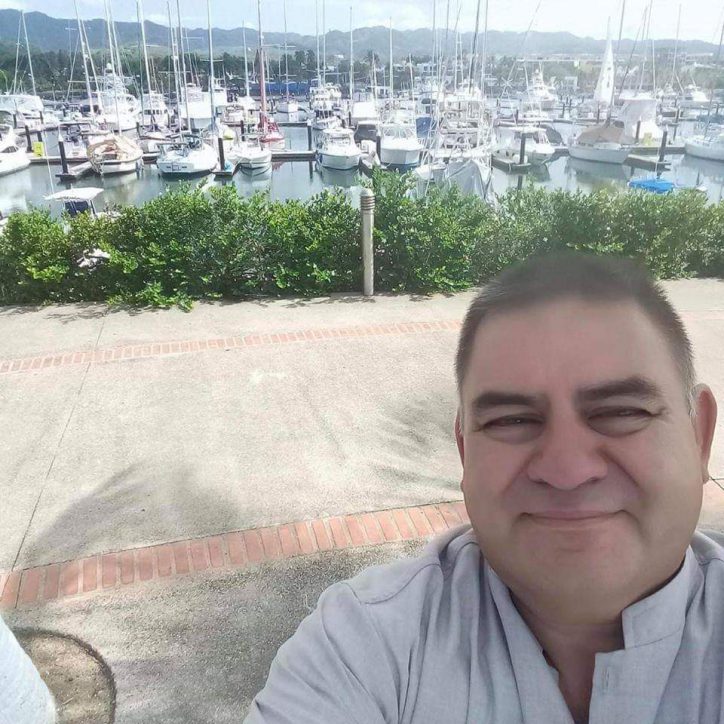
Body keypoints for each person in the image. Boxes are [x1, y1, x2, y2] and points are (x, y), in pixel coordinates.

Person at [245, 251, 719, 724]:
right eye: (511, 420)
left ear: (699, 435)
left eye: (622, 412)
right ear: (464, 450)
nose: (567, 470)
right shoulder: (359, 646)